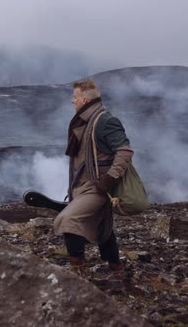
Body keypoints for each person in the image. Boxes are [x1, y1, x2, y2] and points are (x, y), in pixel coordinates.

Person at [54, 79, 134, 276]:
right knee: (102, 226)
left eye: (74, 97)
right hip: (82, 186)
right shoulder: (86, 120)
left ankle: (77, 272)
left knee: (68, 219)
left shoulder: (105, 121)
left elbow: (124, 151)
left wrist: (110, 180)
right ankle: (117, 271)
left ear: (83, 99)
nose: (72, 101)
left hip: (97, 187)